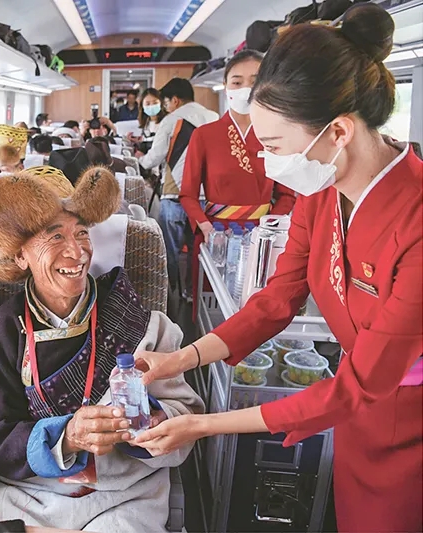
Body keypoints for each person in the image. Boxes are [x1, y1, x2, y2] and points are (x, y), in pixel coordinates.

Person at [135, 6, 422, 533]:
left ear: (338, 132)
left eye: (273, 147)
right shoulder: (322, 193)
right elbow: (276, 300)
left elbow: (361, 384)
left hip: (409, 422)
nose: (267, 164)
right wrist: (181, 359)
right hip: (357, 415)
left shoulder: (417, 220)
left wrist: (203, 425)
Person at [0, 167, 204, 532]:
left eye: (81, 233)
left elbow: (185, 411)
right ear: (20, 257)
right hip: (30, 494)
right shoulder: (4, 330)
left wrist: (156, 419)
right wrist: (67, 436)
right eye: (55, 236)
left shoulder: (139, 321)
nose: (77, 251)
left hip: (126, 494)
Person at [180, 50, 296, 308]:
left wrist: (268, 230)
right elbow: (188, 194)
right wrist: (205, 227)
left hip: (263, 237)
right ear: (226, 86)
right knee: (214, 307)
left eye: (255, 81)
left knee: (257, 305)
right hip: (217, 235)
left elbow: (287, 195)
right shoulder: (204, 135)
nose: (246, 89)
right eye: (237, 82)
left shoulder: (278, 134)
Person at [137, 78, 219, 297]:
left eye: (166, 102)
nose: (165, 107)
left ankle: (170, 293)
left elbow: (155, 157)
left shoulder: (171, 120)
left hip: (175, 194)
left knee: (169, 250)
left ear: (175, 100)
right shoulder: (214, 117)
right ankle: (192, 293)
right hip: (205, 197)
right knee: (197, 248)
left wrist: (140, 162)